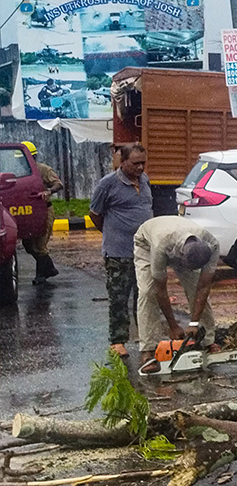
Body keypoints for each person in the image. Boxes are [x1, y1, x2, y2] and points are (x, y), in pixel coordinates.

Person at [133, 216, 221, 373]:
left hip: (181, 243)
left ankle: (208, 340)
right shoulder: (161, 245)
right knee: (147, 292)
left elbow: (204, 286)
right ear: (181, 256)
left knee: (196, 288)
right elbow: (160, 289)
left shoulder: (213, 245)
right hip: (147, 244)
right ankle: (148, 348)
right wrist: (173, 326)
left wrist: (194, 323)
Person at [89, 144, 153, 357]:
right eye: (135, 163)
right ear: (122, 162)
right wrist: (112, 233)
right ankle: (117, 341)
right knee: (119, 298)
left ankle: (146, 338)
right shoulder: (107, 184)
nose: (140, 167)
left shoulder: (145, 180)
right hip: (118, 253)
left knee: (145, 296)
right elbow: (95, 214)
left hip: (144, 252)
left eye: (143, 163)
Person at [20, 141, 63, 284]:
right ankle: (50, 268)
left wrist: (48, 191)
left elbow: (58, 184)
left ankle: (41, 276)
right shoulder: (20, 171)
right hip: (30, 212)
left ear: (33, 157)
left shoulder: (43, 169)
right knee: (28, 244)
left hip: (44, 210)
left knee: (40, 244)